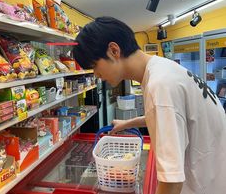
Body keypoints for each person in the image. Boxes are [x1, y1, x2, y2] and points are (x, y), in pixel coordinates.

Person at [72, 16, 226, 194]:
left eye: (94, 66)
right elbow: (170, 116)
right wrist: (127, 124)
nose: (96, 74)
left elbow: (171, 182)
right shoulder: (163, 70)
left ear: (114, 50)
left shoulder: (160, 84)